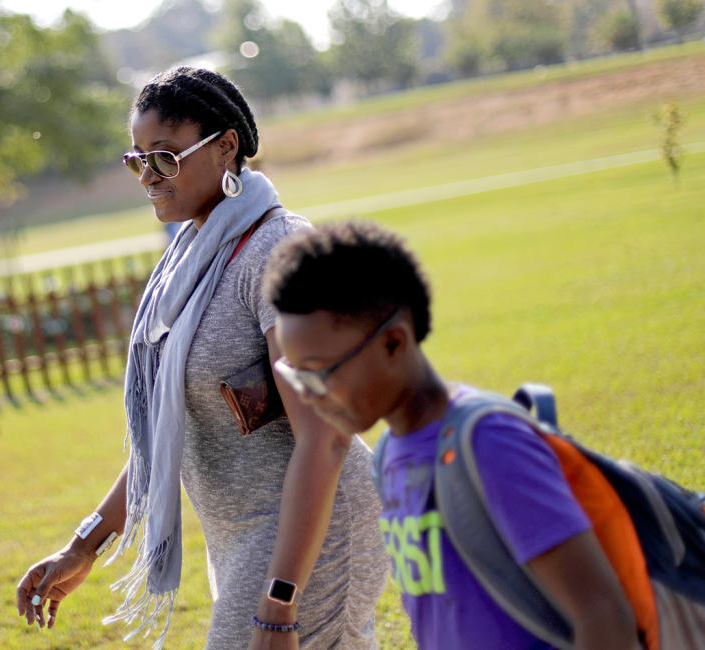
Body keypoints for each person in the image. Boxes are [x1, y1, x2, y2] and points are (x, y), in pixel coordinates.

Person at [15, 68, 386, 649]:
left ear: (225, 146)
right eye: (137, 161)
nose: (149, 178)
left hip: (312, 534)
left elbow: (327, 437)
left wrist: (279, 599)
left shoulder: (279, 251)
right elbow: (164, 431)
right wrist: (83, 545)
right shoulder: (190, 259)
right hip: (244, 538)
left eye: (164, 157)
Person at [262, 221, 644, 650]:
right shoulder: (389, 454)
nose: (308, 397)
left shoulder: (488, 442)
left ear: (393, 343)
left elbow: (603, 613)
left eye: (319, 374)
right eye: (295, 377)